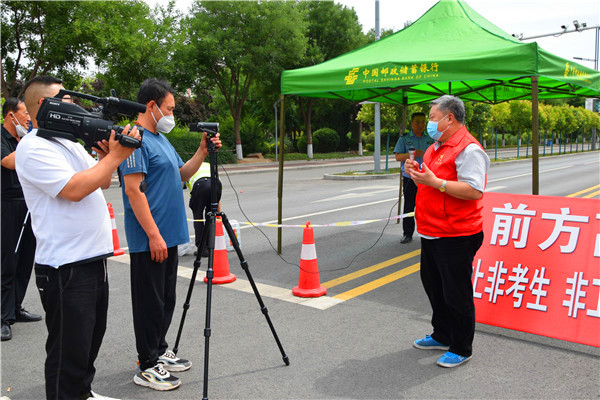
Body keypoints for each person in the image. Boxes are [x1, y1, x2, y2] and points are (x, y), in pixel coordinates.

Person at [15, 75, 140, 399]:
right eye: (66, 102)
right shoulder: (32, 147)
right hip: (64, 268)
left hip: (91, 259)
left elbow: (98, 180)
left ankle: (82, 393)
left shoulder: (67, 141)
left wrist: (105, 157)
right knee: (66, 356)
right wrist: (116, 156)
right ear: (45, 106)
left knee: (88, 343)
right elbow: (73, 190)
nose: (74, 108)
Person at [119, 78, 221, 391]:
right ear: (151, 106)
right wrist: (152, 235)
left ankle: (160, 350)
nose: (172, 115)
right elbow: (133, 190)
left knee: (165, 299)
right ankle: (147, 363)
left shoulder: (160, 139)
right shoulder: (133, 138)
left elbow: (180, 175)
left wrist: (202, 152)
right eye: (169, 108)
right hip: (151, 238)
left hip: (169, 236)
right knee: (149, 302)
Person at [404, 95, 490, 368]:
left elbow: (474, 190)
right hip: (432, 230)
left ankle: (462, 347)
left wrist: (437, 182)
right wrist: (416, 173)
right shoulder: (436, 147)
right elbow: (429, 180)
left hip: (457, 233)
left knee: (456, 292)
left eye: (431, 118)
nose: (429, 123)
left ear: (448, 118)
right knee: (434, 286)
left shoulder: (469, 149)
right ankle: (442, 333)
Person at [1, 97, 42, 342]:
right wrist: (29, 148)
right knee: (8, 260)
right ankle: (3, 317)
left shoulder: (23, 140)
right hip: (7, 205)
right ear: (10, 115)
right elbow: (7, 162)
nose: (28, 117)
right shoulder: (5, 139)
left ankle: (15, 308)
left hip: (29, 203)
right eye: (23, 113)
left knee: (26, 260)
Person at [393, 112, 435, 244]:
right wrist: (412, 154)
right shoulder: (404, 139)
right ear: (412, 123)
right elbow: (398, 157)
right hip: (410, 177)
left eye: (423, 122)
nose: (420, 125)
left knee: (428, 206)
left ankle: (429, 233)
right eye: (417, 122)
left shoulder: (430, 139)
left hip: (427, 178)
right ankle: (407, 233)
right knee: (409, 206)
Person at [186, 161, 222, 257]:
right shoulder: (208, 165)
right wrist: (218, 215)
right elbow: (218, 202)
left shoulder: (189, 166)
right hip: (216, 185)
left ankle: (202, 249)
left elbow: (182, 185)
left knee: (198, 217)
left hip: (200, 185)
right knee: (211, 216)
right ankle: (211, 247)